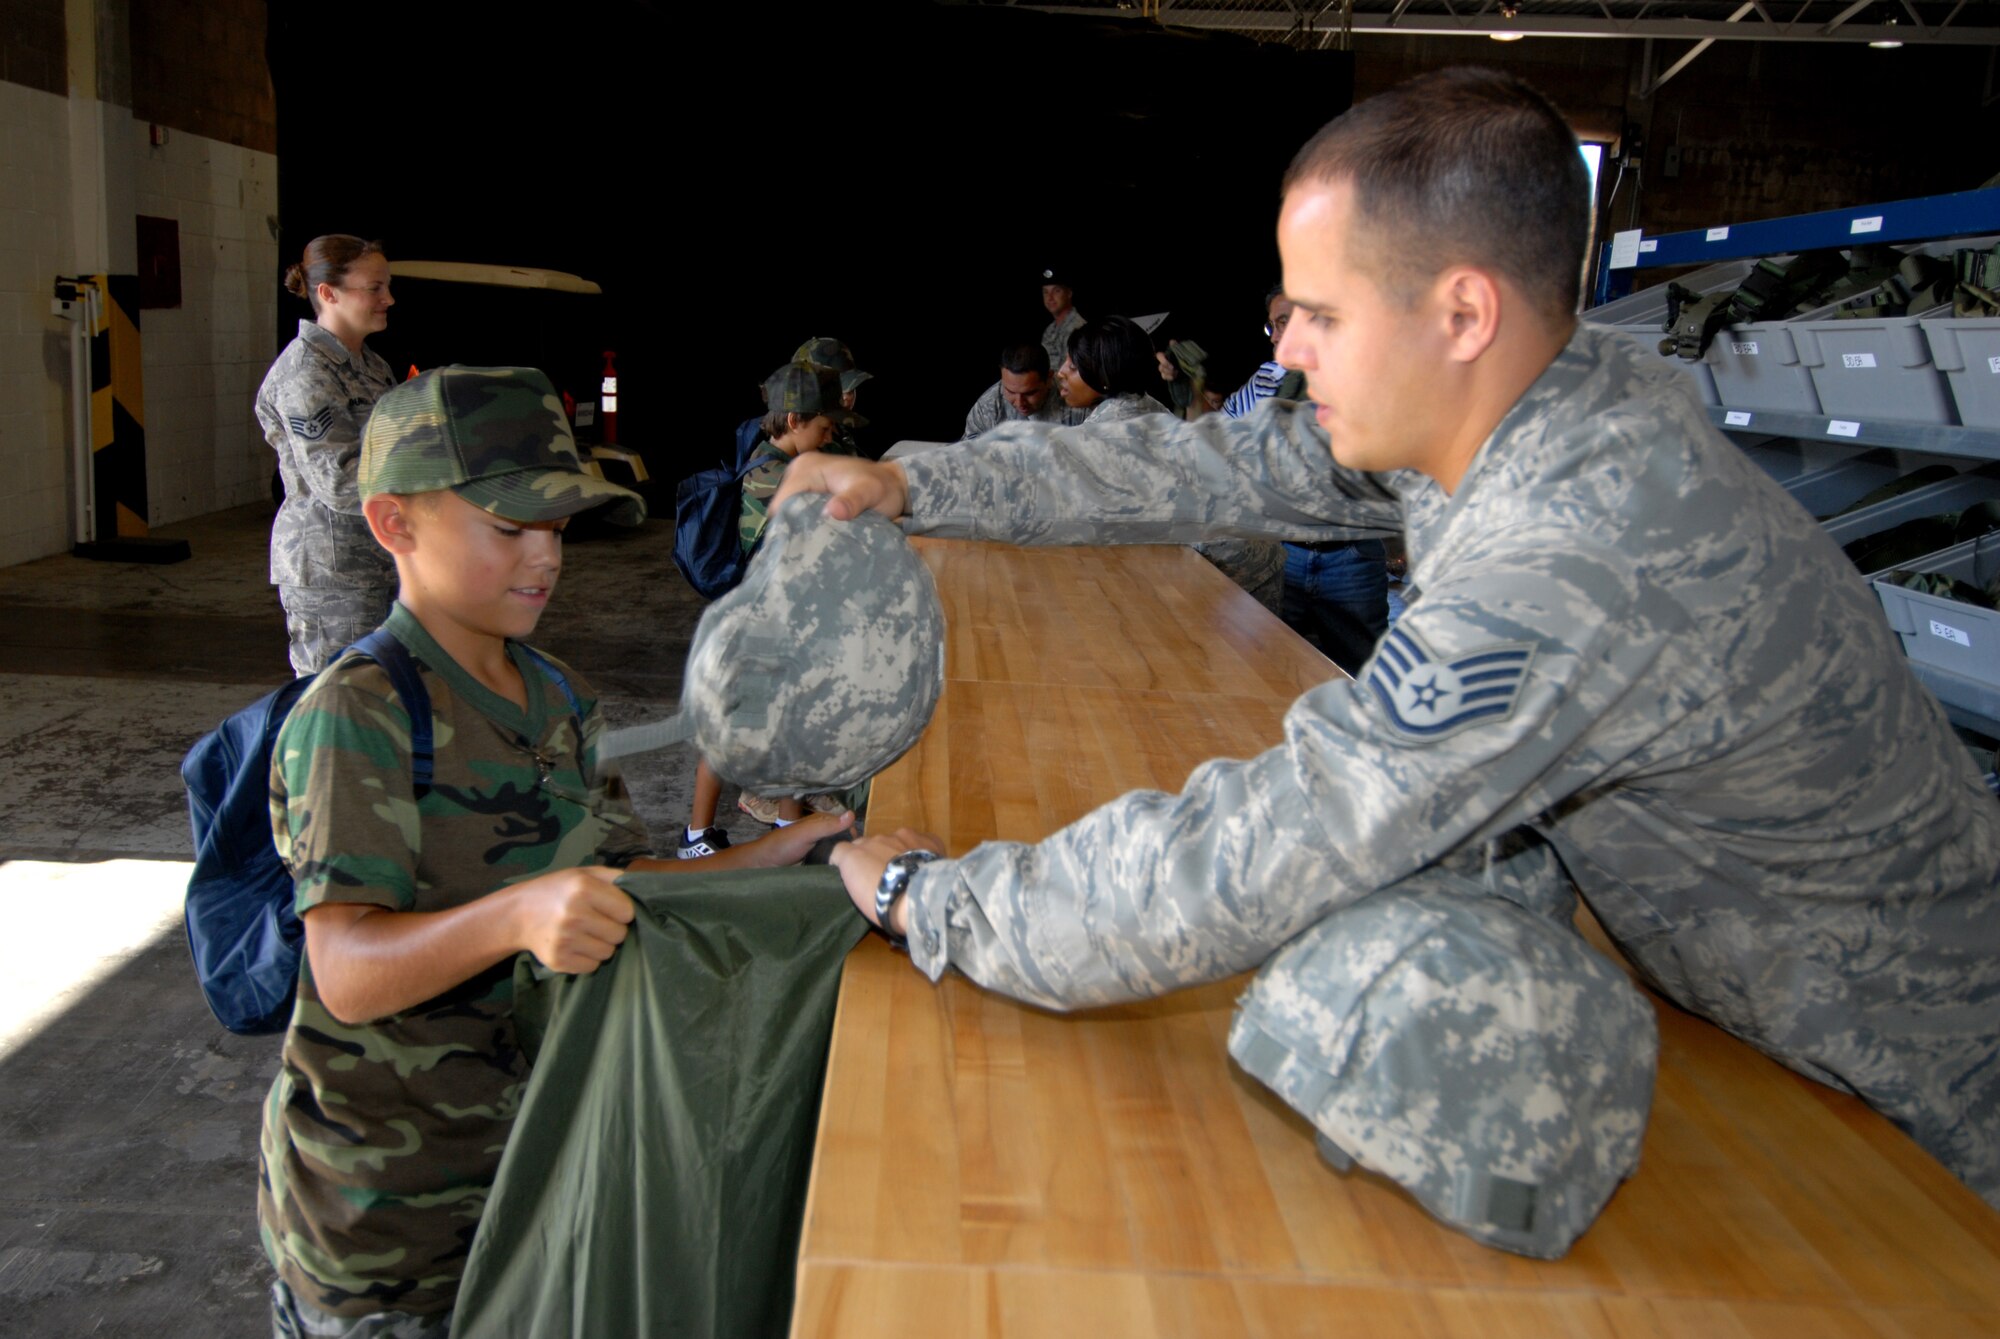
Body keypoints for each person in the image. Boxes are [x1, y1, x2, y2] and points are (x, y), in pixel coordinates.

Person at [777, 67, 2000, 1217]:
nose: (1285, 349)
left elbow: (1267, 847)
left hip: (1905, 1111)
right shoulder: (1532, 405)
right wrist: (916, 482)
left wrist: (924, 896)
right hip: (1755, 1030)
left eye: (1317, 312)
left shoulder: (1580, 549)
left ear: (1462, 310)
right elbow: (1211, 460)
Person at [258, 365, 850, 1337]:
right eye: (508, 527)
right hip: (383, 1229)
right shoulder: (359, 715)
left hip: (528, 1178)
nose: (544, 557)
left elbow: (620, 882)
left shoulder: (555, 697)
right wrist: (519, 917)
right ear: (393, 524)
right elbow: (346, 971)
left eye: (558, 527)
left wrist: (798, 846)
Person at [682, 362, 860, 851]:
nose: (828, 438)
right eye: (823, 428)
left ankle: (787, 824)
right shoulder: (769, 474)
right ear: (796, 420)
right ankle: (696, 834)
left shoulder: (783, 463)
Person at [1061, 317, 1286, 614]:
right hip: (1255, 558)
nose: (1061, 373)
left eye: (1074, 367)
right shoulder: (1145, 404)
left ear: (1101, 376)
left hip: (1230, 577)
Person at [1227, 284, 1390, 675]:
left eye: (1285, 322)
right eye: (1272, 327)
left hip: (1349, 555)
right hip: (1286, 551)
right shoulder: (1269, 379)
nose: (1278, 336)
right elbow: (1227, 431)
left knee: (1361, 674)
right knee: (1274, 670)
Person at [255, 234, 400, 676]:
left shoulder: (372, 366)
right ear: (328, 293)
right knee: (334, 708)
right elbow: (339, 482)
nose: (388, 298)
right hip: (333, 576)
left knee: (381, 707)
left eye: (387, 286)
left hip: (379, 564)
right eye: (374, 288)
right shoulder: (305, 373)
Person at [959, 341, 1085, 440]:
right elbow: (968, 454)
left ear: (1049, 378)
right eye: (1010, 392)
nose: (1020, 403)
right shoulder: (989, 406)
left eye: (1030, 393)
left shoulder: (1076, 398)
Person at [1038, 266, 1085, 375]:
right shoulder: (1050, 330)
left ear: (1069, 293)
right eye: (1045, 292)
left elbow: (1075, 373)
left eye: (1056, 291)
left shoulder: (1078, 328)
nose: (1050, 298)